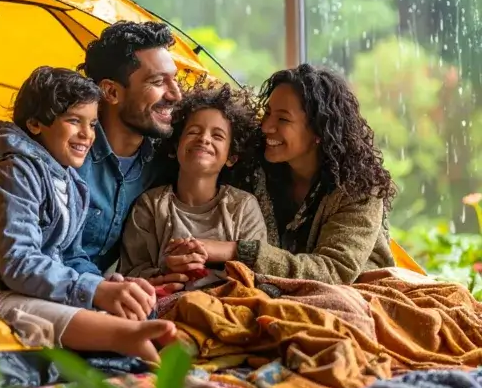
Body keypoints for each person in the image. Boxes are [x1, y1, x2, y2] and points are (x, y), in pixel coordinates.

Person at [0, 67, 174, 361]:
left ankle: (139, 346)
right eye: (73, 121)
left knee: (125, 310)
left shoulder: (70, 179)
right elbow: (18, 263)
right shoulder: (15, 171)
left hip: (34, 289)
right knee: (99, 329)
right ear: (35, 123)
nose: (86, 135)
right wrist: (93, 290)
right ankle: (136, 353)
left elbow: (72, 255)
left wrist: (106, 285)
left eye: (92, 124)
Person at [164, 64, 396, 287]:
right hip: (270, 292)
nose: (266, 127)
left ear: (319, 130)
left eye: (283, 119)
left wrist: (235, 250)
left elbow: (334, 271)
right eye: (267, 113)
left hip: (358, 293)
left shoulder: (359, 189)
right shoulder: (252, 168)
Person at [67, 21, 184, 305]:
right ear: (111, 92)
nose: (175, 94)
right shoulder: (65, 154)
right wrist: (102, 287)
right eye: (158, 82)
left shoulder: (165, 164)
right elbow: (40, 253)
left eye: (174, 79)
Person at [118, 84, 267, 287]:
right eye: (193, 132)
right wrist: (167, 269)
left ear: (231, 157)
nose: (204, 139)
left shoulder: (243, 206)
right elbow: (130, 273)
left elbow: (259, 271)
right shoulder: (150, 205)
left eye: (217, 136)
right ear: (174, 146)